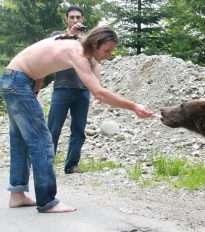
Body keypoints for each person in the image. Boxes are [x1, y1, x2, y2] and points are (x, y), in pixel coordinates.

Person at [0, 26, 154, 213]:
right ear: (95, 44)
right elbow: (98, 92)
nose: (109, 55)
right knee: (42, 140)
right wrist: (134, 106)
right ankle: (47, 201)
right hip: (19, 81)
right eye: (107, 50)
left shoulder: (74, 45)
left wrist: (36, 90)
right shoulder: (77, 52)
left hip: (14, 79)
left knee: (20, 140)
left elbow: (39, 67)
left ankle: (17, 195)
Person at [48, 6, 89, 174]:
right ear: (66, 19)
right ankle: (46, 164)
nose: (75, 20)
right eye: (71, 17)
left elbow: (93, 61)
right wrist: (72, 34)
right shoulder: (57, 36)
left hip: (82, 89)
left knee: (79, 128)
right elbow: (54, 51)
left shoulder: (86, 40)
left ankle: (72, 165)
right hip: (61, 88)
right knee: (53, 128)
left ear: (83, 19)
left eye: (78, 17)